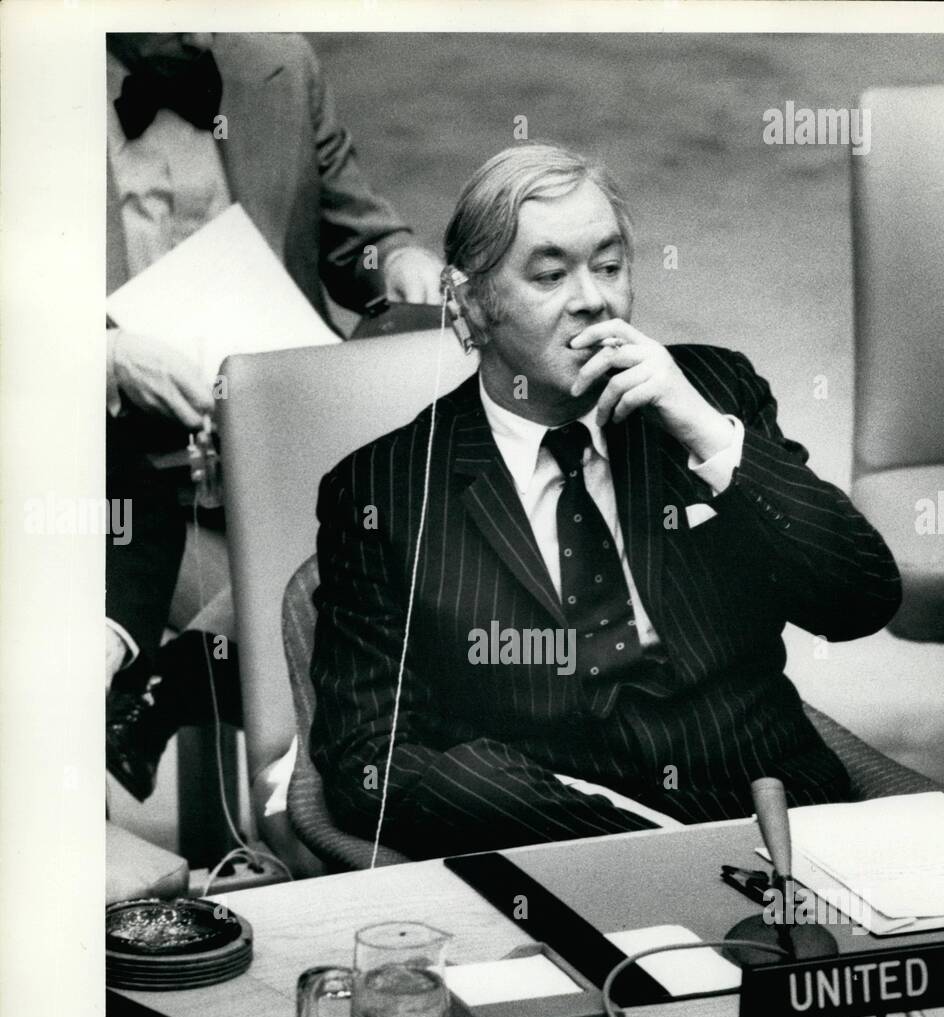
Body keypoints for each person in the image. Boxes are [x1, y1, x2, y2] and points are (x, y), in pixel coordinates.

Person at [309, 143, 902, 860]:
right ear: (471, 303)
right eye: (550, 275)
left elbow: (861, 601)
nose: (591, 298)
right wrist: (620, 842)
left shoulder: (712, 394)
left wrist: (707, 435)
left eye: (611, 266)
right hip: (570, 844)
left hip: (782, 816)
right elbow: (369, 759)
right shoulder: (385, 492)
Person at [105, 31, 444, 800]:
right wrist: (110, 361)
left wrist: (397, 261)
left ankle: (173, 687)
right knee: (337, 594)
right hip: (119, 488)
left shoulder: (277, 61)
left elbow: (359, 237)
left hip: (277, 451)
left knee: (409, 541)